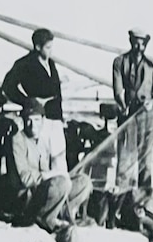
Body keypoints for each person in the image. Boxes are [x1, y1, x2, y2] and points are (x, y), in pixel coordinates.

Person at [5, 98, 92, 234]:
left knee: (84, 182)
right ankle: (45, 219)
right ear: (23, 120)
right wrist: (51, 175)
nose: (33, 125)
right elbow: (25, 179)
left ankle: (62, 213)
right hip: (28, 197)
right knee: (62, 183)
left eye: (37, 120)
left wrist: (57, 175)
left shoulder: (42, 141)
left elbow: (50, 172)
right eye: (29, 120)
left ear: (43, 121)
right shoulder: (17, 139)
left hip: (45, 192)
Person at [2, 28, 67, 172]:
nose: (51, 51)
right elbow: (7, 86)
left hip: (55, 118)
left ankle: (61, 190)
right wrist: (28, 101)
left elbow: (57, 92)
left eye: (52, 47)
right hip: (37, 119)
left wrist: (61, 117)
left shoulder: (51, 64)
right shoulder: (24, 64)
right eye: (48, 47)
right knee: (40, 160)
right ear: (38, 47)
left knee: (59, 158)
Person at [112, 27, 153, 190]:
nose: (139, 48)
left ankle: (143, 198)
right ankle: (121, 197)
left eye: (143, 45)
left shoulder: (150, 67)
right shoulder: (120, 62)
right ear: (131, 42)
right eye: (136, 43)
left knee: (145, 161)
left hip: (146, 118)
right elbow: (118, 89)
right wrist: (122, 104)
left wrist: (152, 103)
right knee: (125, 160)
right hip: (127, 117)